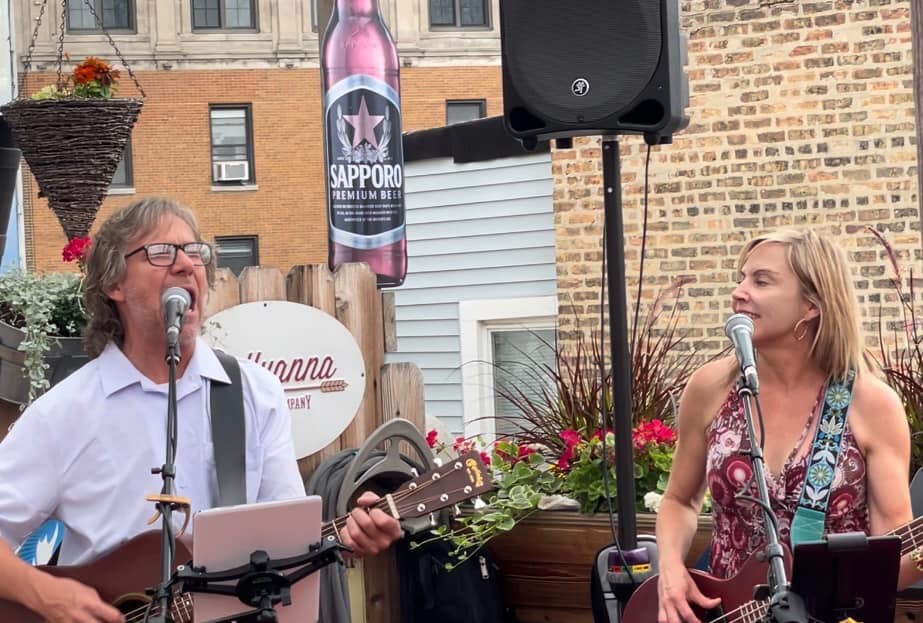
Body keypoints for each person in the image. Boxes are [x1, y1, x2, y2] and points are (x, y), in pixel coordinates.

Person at [0, 197, 402, 623]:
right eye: (160, 252)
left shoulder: (254, 393)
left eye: (195, 252)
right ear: (114, 284)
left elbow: (286, 547)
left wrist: (347, 538)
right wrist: (48, 596)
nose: (185, 265)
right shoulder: (65, 412)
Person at [655, 229, 922, 623]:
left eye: (761, 281)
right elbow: (679, 500)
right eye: (741, 278)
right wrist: (670, 569)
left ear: (811, 304)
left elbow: (891, 559)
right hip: (727, 611)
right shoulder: (711, 387)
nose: (739, 292)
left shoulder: (871, 404)